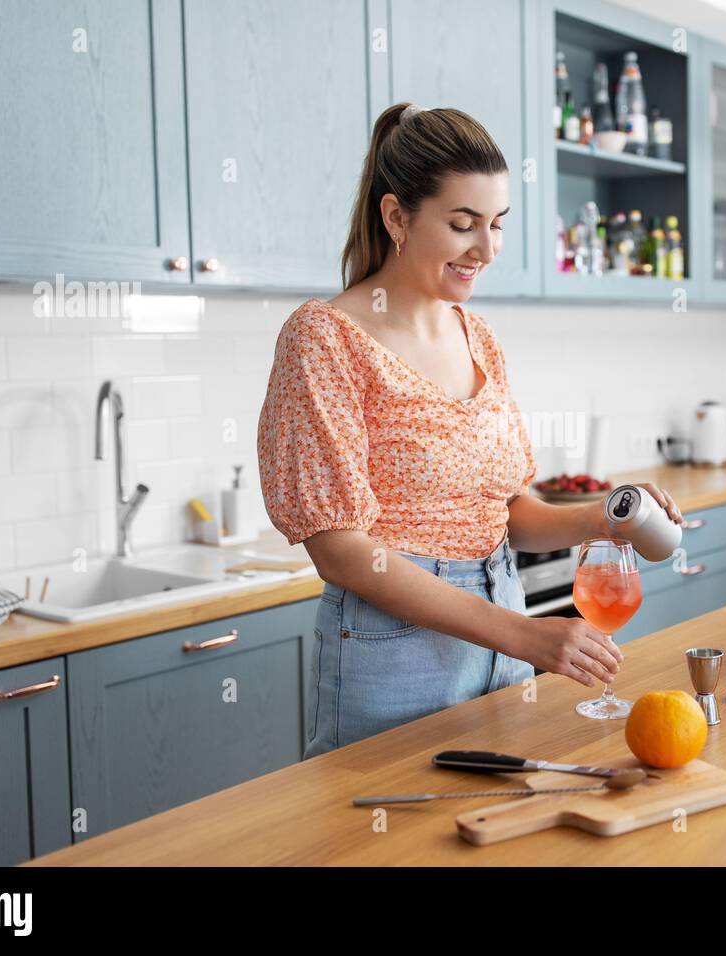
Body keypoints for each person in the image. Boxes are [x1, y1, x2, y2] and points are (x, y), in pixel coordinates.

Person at [257, 103, 683, 758]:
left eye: (497, 225)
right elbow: (339, 548)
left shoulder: (475, 336)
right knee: (386, 846)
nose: (487, 250)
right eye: (463, 225)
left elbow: (509, 511)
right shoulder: (325, 337)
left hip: (500, 623)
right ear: (397, 216)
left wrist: (607, 517)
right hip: (392, 653)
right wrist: (521, 634)